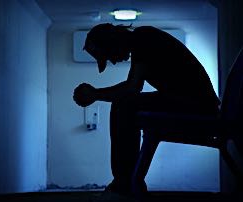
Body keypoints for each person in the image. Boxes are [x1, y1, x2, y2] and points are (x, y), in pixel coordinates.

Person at [73, 23, 220, 196]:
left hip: (200, 107)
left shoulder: (143, 37)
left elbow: (131, 88)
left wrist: (95, 94)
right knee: (125, 103)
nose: (112, 61)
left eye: (108, 55)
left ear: (113, 42)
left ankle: (123, 184)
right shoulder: (142, 39)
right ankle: (125, 181)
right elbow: (132, 87)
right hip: (196, 104)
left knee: (124, 104)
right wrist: (97, 94)